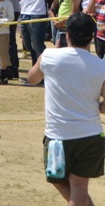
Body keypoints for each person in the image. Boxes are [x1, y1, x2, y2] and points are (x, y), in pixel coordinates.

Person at [28, 13, 105, 206]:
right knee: (79, 187)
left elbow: (32, 78)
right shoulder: (101, 66)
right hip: (90, 134)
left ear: (67, 34)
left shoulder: (50, 56)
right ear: (92, 37)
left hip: (58, 134)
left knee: (57, 178)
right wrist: (96, 105)